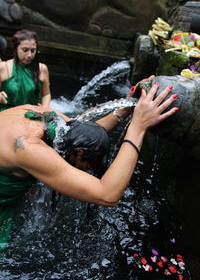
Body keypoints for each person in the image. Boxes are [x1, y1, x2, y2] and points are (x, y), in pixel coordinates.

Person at [0, 82, 178, 252]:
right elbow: (107, 195)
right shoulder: (28, 147)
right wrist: (138, 127)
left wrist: (124, 111)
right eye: (88, 164)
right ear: (80, 154)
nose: (87, 170)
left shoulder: (48, 117)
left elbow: (82, 132)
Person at [0, 29, 51, 111]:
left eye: (33, 50)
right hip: (6, 114)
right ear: (16, 49)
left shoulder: (42, 69)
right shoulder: (3, 67)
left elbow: (46, 94)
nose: (29, 55)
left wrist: (44, 109)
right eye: (25, 50)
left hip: (32, 115)